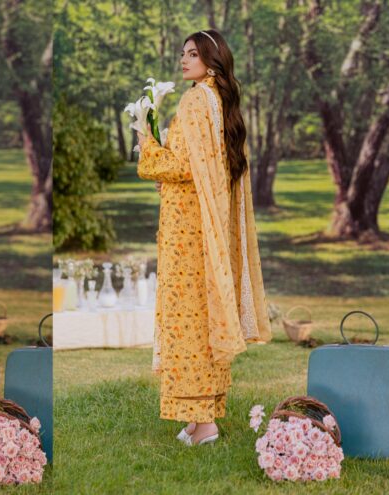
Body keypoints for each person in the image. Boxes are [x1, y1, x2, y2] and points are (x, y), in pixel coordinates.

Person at [136, 29, 271, 446]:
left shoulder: (196, 100)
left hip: (187, 233)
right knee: (202, 315)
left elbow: (182, 164)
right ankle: (200, 419)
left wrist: (147, 146)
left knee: (188, 320)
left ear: (212, 60)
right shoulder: (219, 100)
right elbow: (208, 168)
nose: (183, 60)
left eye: (192, 54)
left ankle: (205, 425)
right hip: (204, 224)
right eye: (182, 53)